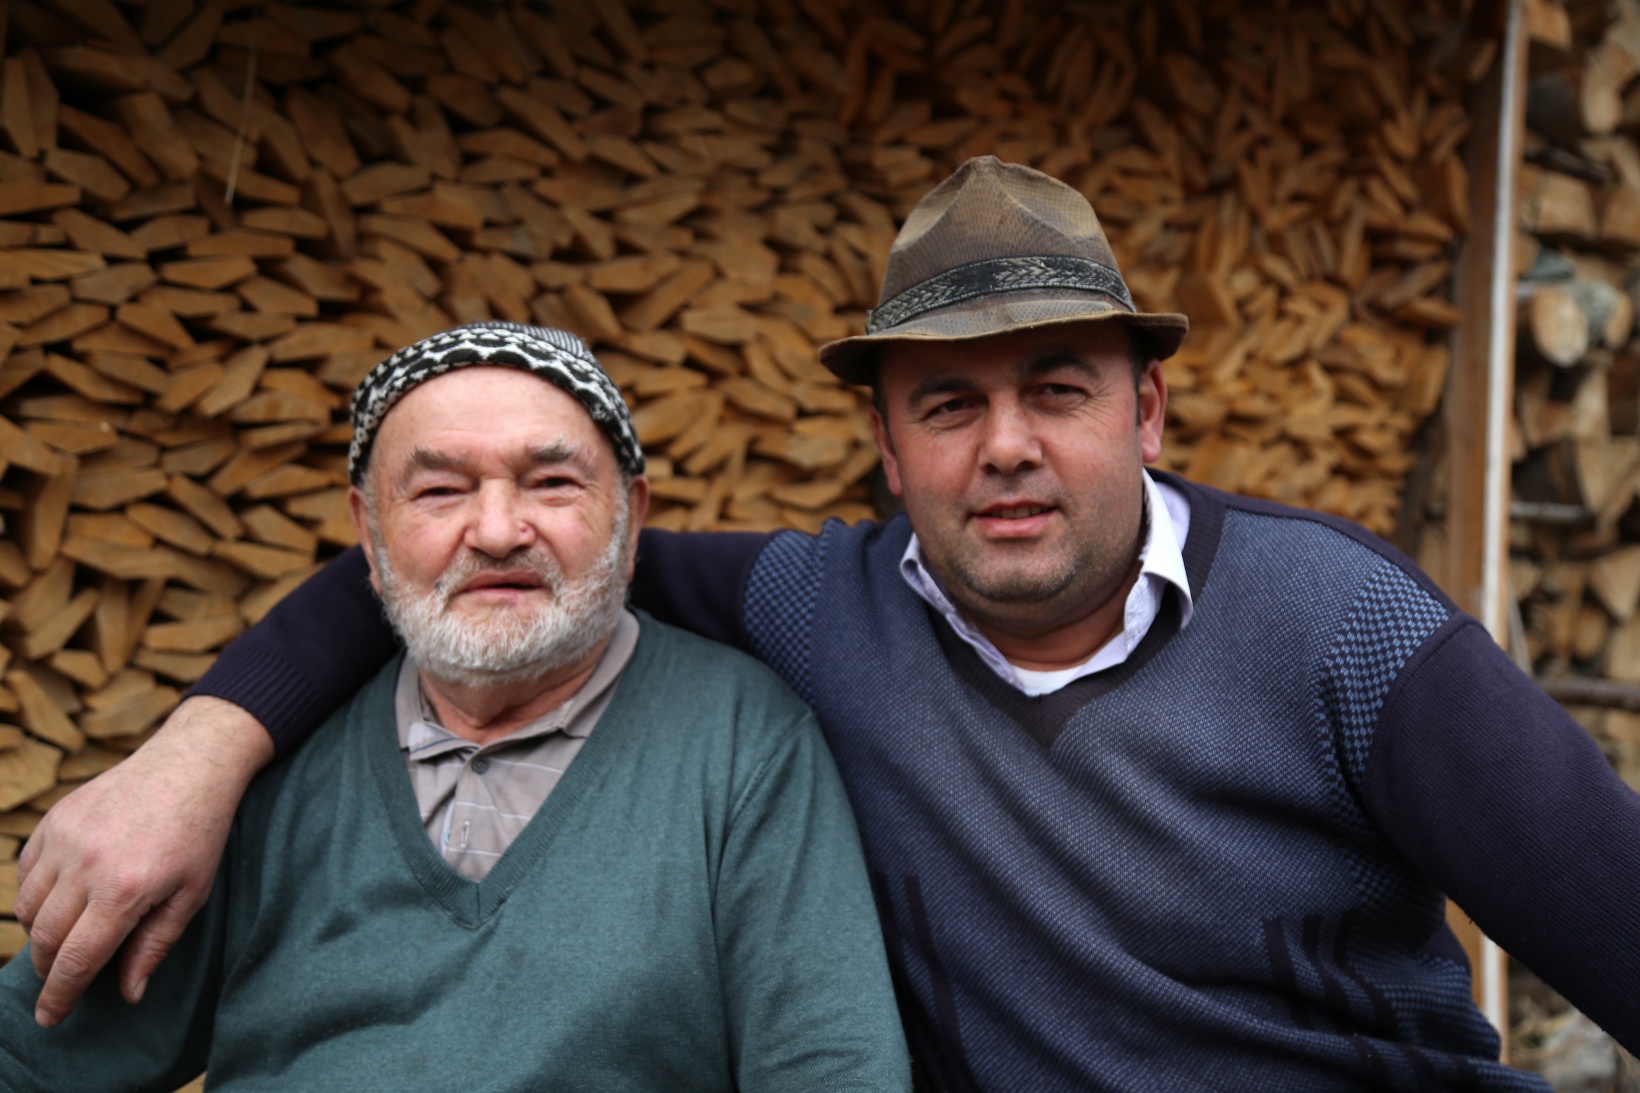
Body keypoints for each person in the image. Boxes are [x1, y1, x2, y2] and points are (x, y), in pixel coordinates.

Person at [16, 156, 1640, 1090]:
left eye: (1056, 390)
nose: (1002, 443)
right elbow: (469, 570)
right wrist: (199, 750)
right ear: (887, 446)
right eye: (948, 402)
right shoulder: (814, 605)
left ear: (1149, 411)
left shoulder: (1341, 626)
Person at [0, 322, 911, 1091]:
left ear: (631, 520)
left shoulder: (745, 742)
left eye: (553, 483)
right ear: (368, 530)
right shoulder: (263, 763)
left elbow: (829, 1067)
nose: (498, 528)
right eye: (439, 490)